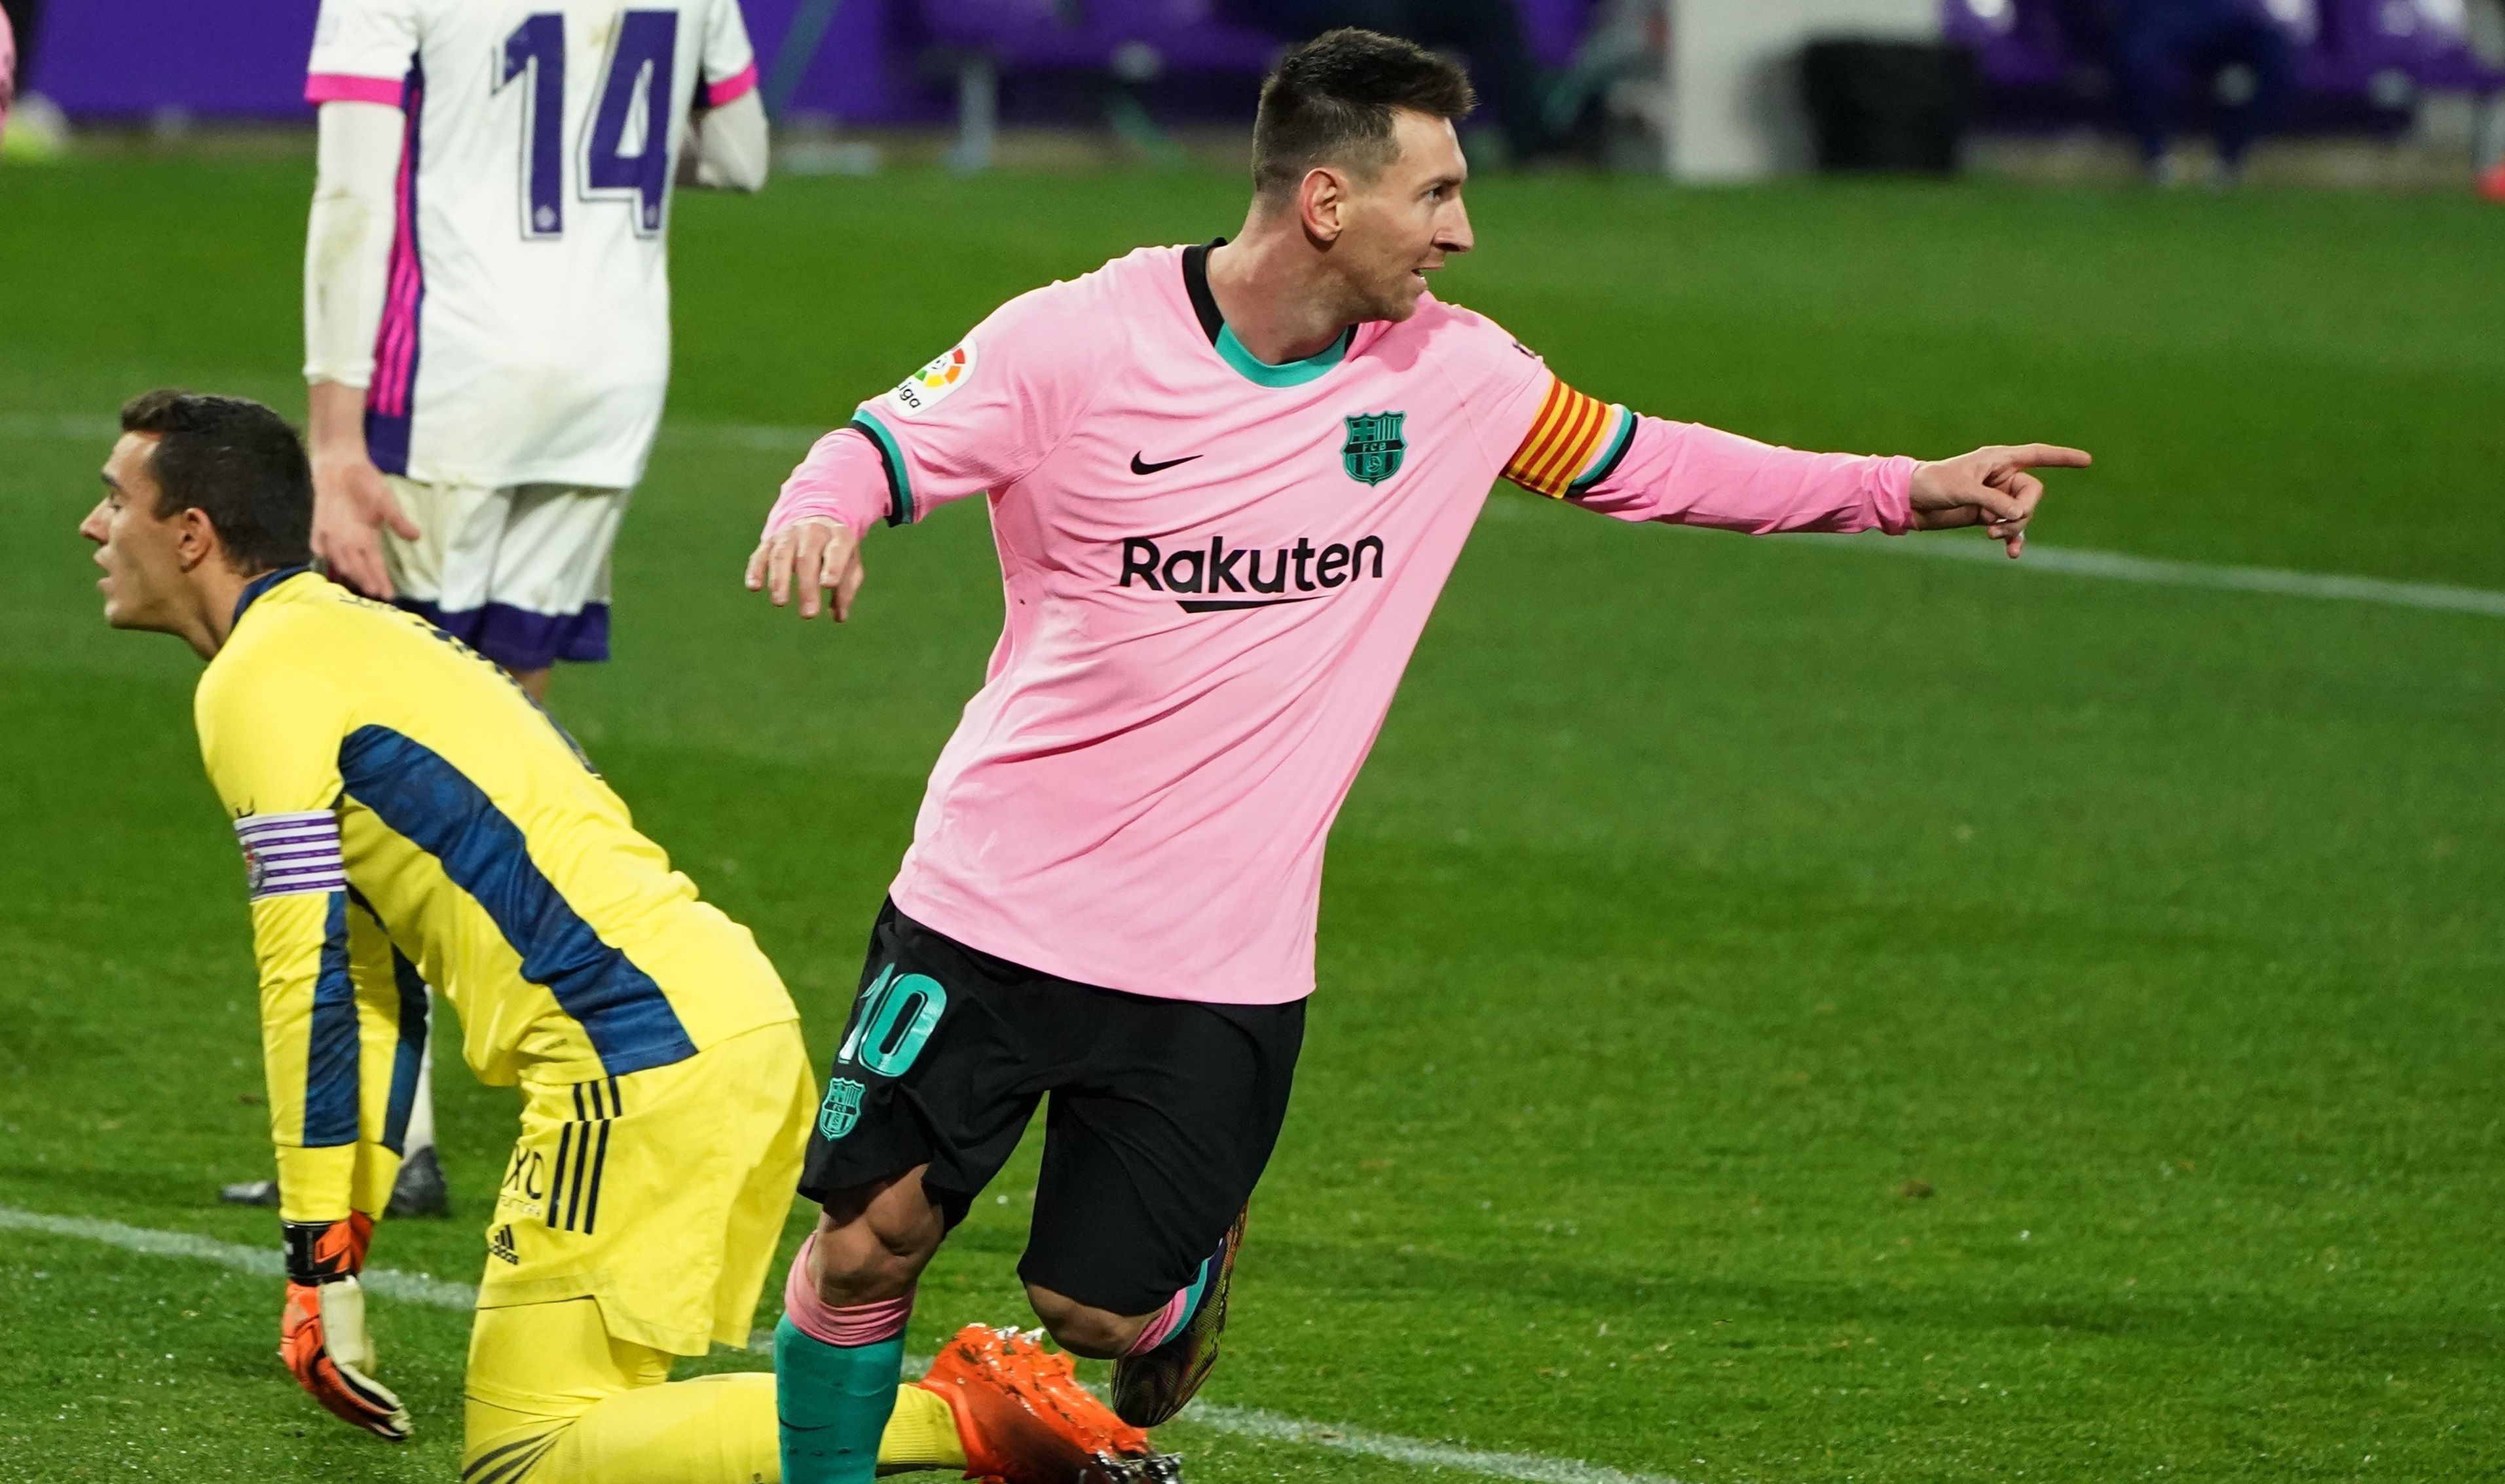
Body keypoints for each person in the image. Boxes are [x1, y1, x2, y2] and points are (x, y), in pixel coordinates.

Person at [742, 27, 2090, 1483]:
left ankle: (1182, 1274)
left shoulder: (1455, 372)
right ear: (1328, 201)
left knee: (1097, 1311)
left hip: (1218, 956)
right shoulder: (1074, 339)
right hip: (990, 902)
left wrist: (1903, 487)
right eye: (1436, 194)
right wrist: (820, 513)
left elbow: (1648, 462)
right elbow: (878, 444)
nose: (1462, 231)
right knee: (869, 1241)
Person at [79, 388, 1176, 1484]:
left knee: (526, 1454)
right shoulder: (358, 637)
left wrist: (312, 1254)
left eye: (116, 500)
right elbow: (376, 978)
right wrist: (340, 1235)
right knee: (598, 1433)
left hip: (627, 1059)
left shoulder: (257, 679)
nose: (93, 526)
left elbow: (307, 969)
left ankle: (966, 1412)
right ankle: (975, 1415)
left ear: (193, 533)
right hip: (715, 1023)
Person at [259, 0, 775, 1221]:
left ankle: (388, 1139)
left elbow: (353, 196)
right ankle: (613, 1064)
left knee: (371, 756)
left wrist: (332, 438)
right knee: (513, 750)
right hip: (611, 383)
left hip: (452, 378)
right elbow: (742, 154)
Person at [2104, 0, 2294, 185]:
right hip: (2159, 17)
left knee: (2274, 51)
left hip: (2225, 17)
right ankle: (2156, 156)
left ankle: (2231, 155)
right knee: (2137, 56)